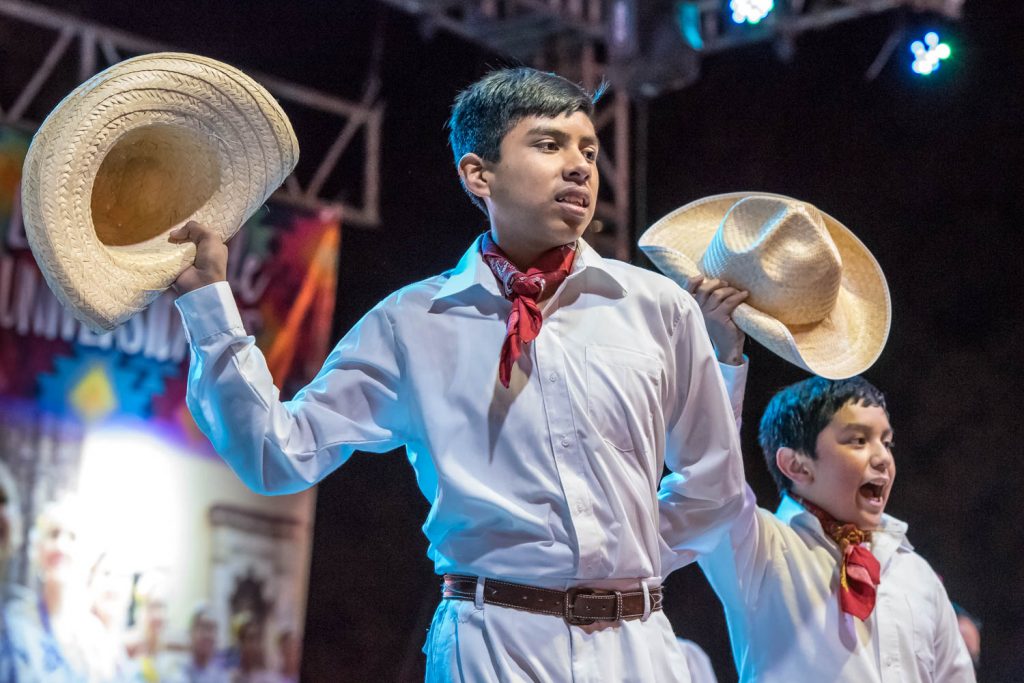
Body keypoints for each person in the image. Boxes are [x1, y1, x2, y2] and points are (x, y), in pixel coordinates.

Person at [169, 66, 744, 680]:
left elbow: (715, 486)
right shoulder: (413, 323)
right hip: (494, 645)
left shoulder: (657, 309)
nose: (579, 167)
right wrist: (210, 307)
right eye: (549, 145)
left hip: (639, 647)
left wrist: (623, 557)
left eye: (590, 151)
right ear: (479, 174)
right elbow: (277, 454)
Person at [688, 274, 975, 682]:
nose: (882, 458)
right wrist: (723, 358)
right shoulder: (761, 553)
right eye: (858, 441)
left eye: (886, 442)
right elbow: (711, 477)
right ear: (797, 465)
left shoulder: (916, 575)